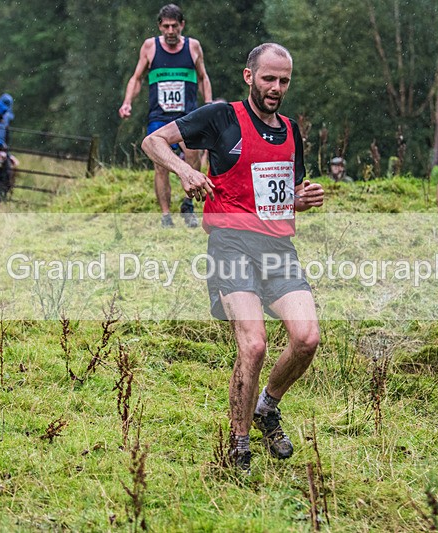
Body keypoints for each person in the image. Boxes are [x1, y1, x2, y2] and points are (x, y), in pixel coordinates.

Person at [142, 43, 324, 473]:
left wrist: (301, 199)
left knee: (307, 339)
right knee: (254, 344)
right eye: (268, 78)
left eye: (283, 81)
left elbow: (283, 195)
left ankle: (267, 408)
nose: (276, 88)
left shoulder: (291, 130)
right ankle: (239, 444)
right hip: (231, 246)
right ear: (249, 76)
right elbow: (153, 141)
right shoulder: (222, 117)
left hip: (278, 249)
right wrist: (185, 170)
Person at [120, 4, 212, 228]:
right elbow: (137, 78)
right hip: (159, 117)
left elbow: (203, 77)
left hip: (187, 116)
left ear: (182, 25)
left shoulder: (193, 47)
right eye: (166, 26)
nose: (171, 31)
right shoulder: (150, 47)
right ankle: (165, 215)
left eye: (175, 26)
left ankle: (188, 205)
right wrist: (127, 102)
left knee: (192, 158)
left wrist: (209, 105)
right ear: (160, 26)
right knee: (160, 165)